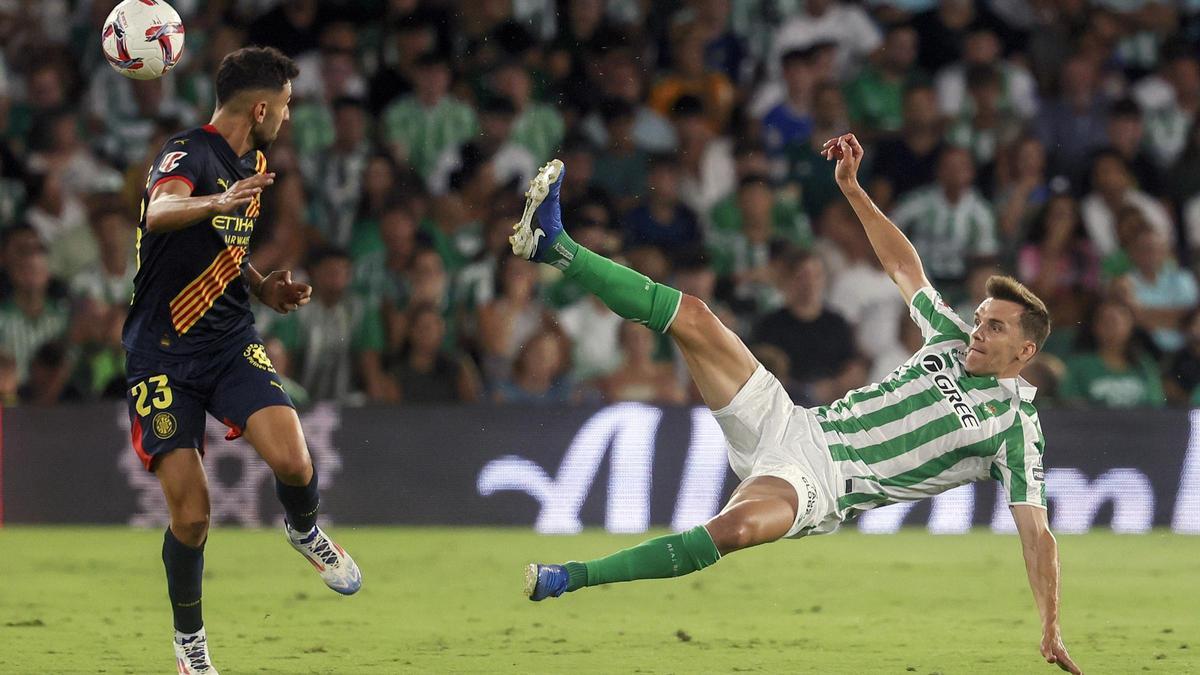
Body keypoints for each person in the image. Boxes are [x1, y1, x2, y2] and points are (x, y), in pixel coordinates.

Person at [511, 136, 1081, 674]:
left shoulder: (1014, 429)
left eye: (994, 326)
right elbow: (905, 267)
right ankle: (554, 246)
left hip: (819, 483)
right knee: (694, 316)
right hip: (790, 422)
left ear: (1025, 350)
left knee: (732, 531)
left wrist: (1051, 625)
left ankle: (572, 577)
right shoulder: (949, 337)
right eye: (980, 317)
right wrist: (853, 189)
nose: (978, 330)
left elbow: (1037, 535)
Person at [122, 47, 360, 674]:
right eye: (284, 104)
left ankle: (306, 532)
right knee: (194, 518)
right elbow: (162, 210)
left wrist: (261, 286)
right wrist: (214, 203)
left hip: (228, 342)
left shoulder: (251, 161)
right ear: (260, 107)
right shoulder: (188, 153)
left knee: (293, 456)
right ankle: (190, 646)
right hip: (162, 357)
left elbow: (221, 247)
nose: (287, 115)